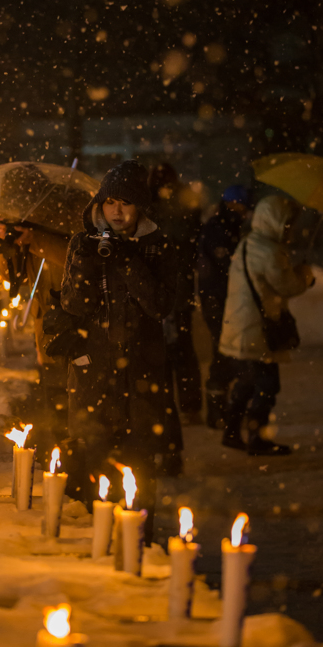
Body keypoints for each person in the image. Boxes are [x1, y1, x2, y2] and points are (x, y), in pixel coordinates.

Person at [59, 159, 178, 542]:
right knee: (94, 458)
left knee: (141, 464)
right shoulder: (82, 242)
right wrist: (86, 267)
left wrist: (129, 262)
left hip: (142, 374)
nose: (117, 211)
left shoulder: (157, 244)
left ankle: (139, 539)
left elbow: (160, 305)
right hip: (94, 373)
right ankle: (99, 539)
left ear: (140, 205)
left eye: (126, 202)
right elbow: (73, 306)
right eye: (110, 202)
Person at [219, 194, 314, 456]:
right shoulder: (270, 251)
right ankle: (257, 438)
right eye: (287, 223)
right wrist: (305, 276)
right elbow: (288, 285)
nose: (290, 228)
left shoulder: (248, 244)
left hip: (239, 327)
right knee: (267, 386)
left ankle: (231, 430)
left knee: (246, 382)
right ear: (275, 222)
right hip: (256, 331)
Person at [0, 218, 69, 458]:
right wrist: (7, 244)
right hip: (46, 330)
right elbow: (13, 277)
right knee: (56, 401)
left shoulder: (65, 224)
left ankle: (75, 469)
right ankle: (63, 463)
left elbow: (74, 260)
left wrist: (34, 239)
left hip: (73, 328)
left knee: (73, 410)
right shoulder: (27, 234)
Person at [147, 162, 203, 425]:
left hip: (166, 291)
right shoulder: (183, 206)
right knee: (180, 350)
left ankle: (167, 406)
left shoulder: (153, 209)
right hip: (175, 290)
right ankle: (185, 406)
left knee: (167, 351)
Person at [197, 185, 253, 428]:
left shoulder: (228, 227)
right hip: (220, 301)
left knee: (227, 353)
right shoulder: (219, 229)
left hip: (223, 300)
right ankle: (218, 411)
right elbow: (221, 269)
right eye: (243, 206)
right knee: (224, 353)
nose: (246, 212)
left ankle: (221, 410)